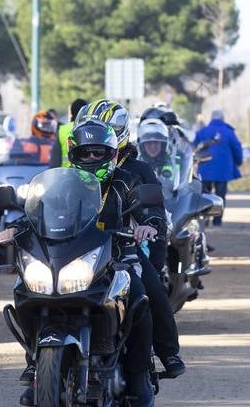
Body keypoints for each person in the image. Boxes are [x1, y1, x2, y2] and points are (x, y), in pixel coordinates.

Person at [20, 118, 165, 407]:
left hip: (117, 257)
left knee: (139, 299)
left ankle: (138, 376)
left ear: (110, 153)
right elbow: (38, 210)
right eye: (85, 153)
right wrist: (17, 227)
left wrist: (148, 225)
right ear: (74, 154)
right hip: (71, 257)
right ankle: (36, 366)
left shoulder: (126, 180)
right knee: (25, 293)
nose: (91, 158)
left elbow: (150, 209)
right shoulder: (60, 183)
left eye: (98, 153)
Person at [75, 100, 186, 379]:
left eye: (105, 132)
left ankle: (166, 352)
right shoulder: (74, 171)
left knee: (147, 294)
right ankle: (37, 361)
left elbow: (155, 212)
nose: (94, 145)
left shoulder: (136, 172)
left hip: (123, 250)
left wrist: (154, 249)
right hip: (76, 250)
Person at [193, 109, 243, 227]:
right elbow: (237, 148)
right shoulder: (229, 132)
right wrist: (238, 161)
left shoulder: (202, 131)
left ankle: (205, 219)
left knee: (205, 195)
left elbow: (194, 146)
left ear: (211, 118)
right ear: (223, 118)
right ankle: (217, 221)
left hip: (205, 169)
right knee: (220, 196)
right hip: (223, 170)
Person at [48, 98, 88, 169]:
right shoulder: (90, 129)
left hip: (65, 177)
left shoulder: (62, 130)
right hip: (86, 175)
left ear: (72, 112)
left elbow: (54, 162)